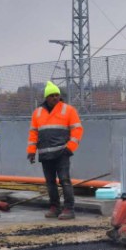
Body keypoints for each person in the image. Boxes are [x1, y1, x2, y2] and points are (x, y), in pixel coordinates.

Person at [26, 81, 83, 220]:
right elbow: (33, 134)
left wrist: (70, 148)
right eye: (52, 95)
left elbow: (77, 130)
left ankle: (69, 209)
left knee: (65, 181)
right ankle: (55, 207)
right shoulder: (37, 113)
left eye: (57, 95)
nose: (55, 97)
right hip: (45, 154)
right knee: (50, 182)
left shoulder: (68, 110)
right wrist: (31, 151)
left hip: (62, 153)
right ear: (46, 97)